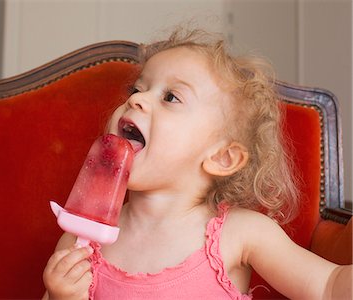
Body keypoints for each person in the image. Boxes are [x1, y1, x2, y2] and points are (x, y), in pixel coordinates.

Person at [42, 28, 352, 299]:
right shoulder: (79, 239)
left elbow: (328, 286)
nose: (136, 100)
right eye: (137, 89)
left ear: (222, 157)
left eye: (171, 98)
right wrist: (61, 296)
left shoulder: (241, 233)